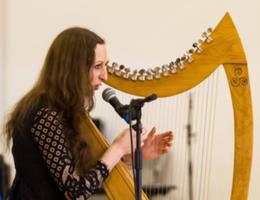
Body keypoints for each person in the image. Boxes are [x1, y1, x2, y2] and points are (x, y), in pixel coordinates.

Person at [3, 27, 174, 200]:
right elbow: (76, 192)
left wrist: (134, 156)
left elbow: (87, 176)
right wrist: (117, 148)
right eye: (98, 66)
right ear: (73, 68)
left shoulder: (66, 110)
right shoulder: (45, 113)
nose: (105, 76)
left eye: (105, 66)